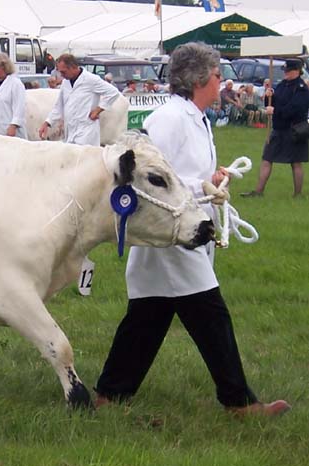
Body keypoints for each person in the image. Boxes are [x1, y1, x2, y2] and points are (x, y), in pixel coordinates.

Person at [94, 42, 290, 417]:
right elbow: (147, 176)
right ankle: (239, 401)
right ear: (200, 78)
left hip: (185, 230)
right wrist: (200, 185)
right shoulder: (171, 118)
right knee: (210, 314)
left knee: (148, 317)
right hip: (170, 233)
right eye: (217, 75)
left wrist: (209, 180)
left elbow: (178, 173)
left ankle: (110, 394)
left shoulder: (193, 116)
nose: (221, 82)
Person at [241, 58, 309, 198]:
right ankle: (258, 191)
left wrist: (275, 111)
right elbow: (273, 103)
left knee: (296, 162)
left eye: (288, 71)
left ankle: (298, 194)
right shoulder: (283, 84)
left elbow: (295, 109)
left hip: (294, 130)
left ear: (296, 71)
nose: (285, 73)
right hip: (278, 129)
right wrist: (268, 97)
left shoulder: (302, 89)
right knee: (267, 158)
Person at [39, 53, 121, 146]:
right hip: (70, 131)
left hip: (86, 131)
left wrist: (98, 110)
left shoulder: (91, 79)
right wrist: (47, 123)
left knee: (86, 158)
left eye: (63, 72)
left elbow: (113, 92)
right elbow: (59, 106)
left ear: (73, 67)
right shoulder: (65, 83)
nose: (61, 75)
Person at [0, 53, 27, 139]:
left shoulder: (16, 83)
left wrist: (14, 125)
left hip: (9, 130)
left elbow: (19, 107)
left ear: (5, 67)